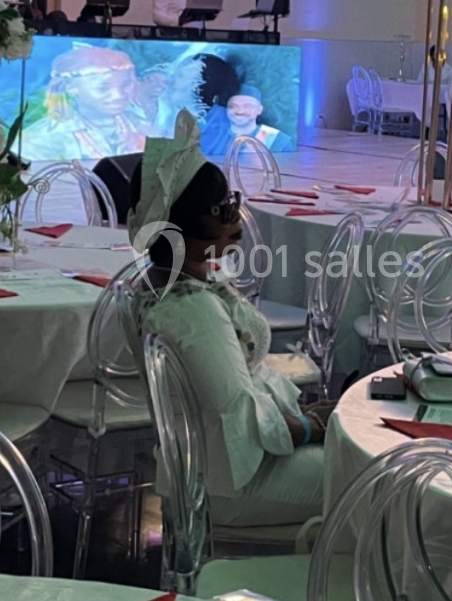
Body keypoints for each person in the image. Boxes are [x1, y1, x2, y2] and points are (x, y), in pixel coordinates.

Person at [129, 114, 329, 526]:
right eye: (224, 209)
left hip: (216, 465)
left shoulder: (178, 282)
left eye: (233, 203)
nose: (236, 219)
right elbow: (237, 416)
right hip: (228, 483)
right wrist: (312, 429)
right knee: (381, 476)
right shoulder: (190, 310)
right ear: (185, 226)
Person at [18, 46, 147, 161]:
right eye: (103, 88)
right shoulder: (41, 139)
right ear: (71, 88)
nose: (118, 95)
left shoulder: (145, 127)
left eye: (125, 85)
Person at [199, 84, 295, 154]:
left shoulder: (277, 140)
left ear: (259, 110)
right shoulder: (210, 136)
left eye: (247, 106)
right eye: (233, 106)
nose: (240, 111)